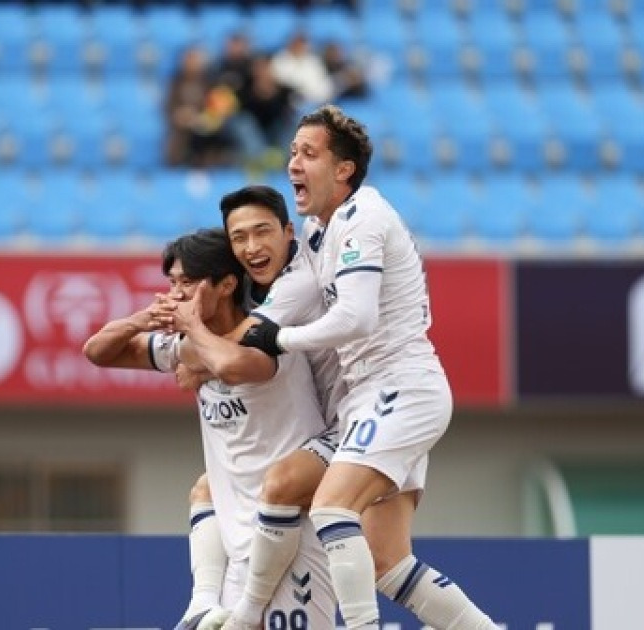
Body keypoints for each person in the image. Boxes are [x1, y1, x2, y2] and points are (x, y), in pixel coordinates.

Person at [238, 105, 498, 630]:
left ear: (344, 170)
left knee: (332, 507)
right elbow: (294, 295)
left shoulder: (366, 218)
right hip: (369, 399)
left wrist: (279, 339)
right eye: (291, 152)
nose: (292, 164)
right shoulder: (319, 230)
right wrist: (238, 327)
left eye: (308, 153)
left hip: (401, 387)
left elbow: (355, 318)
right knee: (387, 564)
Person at [82, 228, 337, 630]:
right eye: (172, 283)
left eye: (188, 282)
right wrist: (142, 320)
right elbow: (98, 352)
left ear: (227, 284)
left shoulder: (266, 337)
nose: (177, 293)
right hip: (240, 530)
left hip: (292, 527)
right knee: (206, 488)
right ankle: (201, 603)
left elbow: (233, 365)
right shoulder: (187, 346)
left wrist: (193, 344)